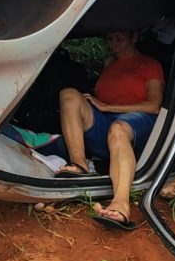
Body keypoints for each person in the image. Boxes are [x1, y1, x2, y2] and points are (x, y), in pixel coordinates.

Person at [55, 30, 164, 231]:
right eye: (110, 39)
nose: (114, 44)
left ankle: (121, 205)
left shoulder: (149, 65)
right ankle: (79, 164)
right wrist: (100, 106)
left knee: (118, 128)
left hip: (139, 122)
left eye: (120, 39)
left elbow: (154, 105)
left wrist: (108, 107)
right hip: (107, 121)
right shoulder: (110, 64)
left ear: (134, 37)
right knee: (69, 94)